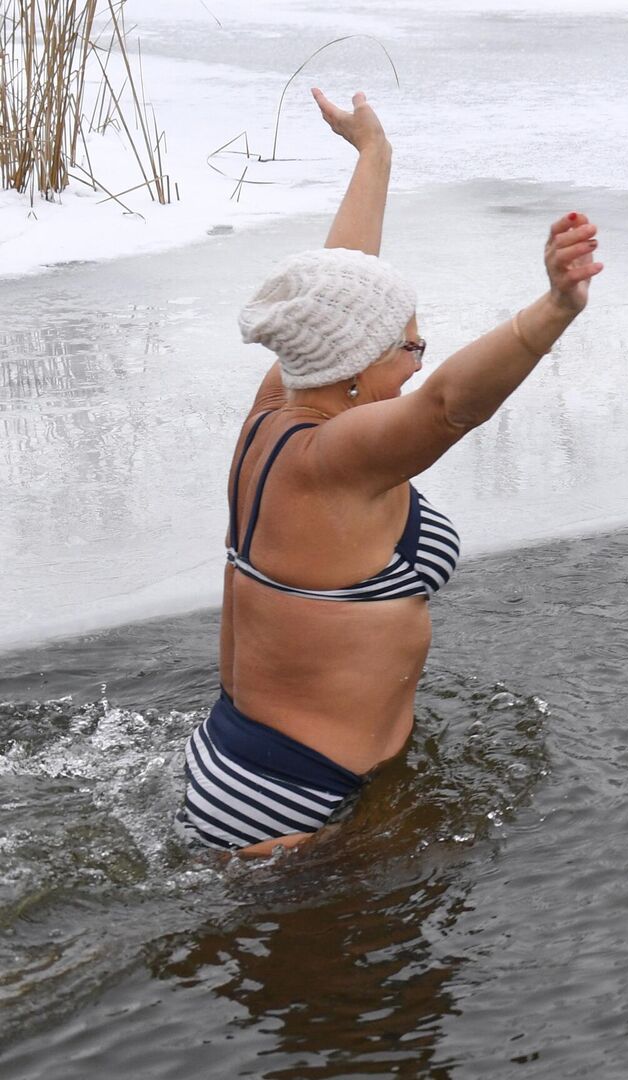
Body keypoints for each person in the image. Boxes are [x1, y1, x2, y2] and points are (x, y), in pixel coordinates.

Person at [175, 89, 604, 854]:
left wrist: (375, 154)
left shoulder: (281, 401)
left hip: (243, 757)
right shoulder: (334, 460)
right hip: (290, 803)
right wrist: (552, 311)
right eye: (407, 345)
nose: (420, 355)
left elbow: (339, 287)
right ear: (350, 370)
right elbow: (446, 407)